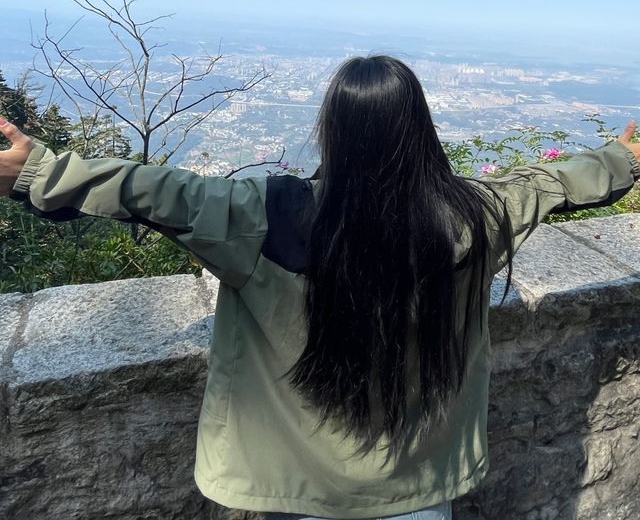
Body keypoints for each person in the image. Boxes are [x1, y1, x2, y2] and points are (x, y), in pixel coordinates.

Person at [1, 55, 639, 520]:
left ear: (332, 130)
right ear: (420, 130)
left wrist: (36, 169)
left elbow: (159, 194)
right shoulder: (476, 217)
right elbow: (554, 184)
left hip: (292, 488)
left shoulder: (262, 215)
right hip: (416, 493)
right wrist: (624, 157)